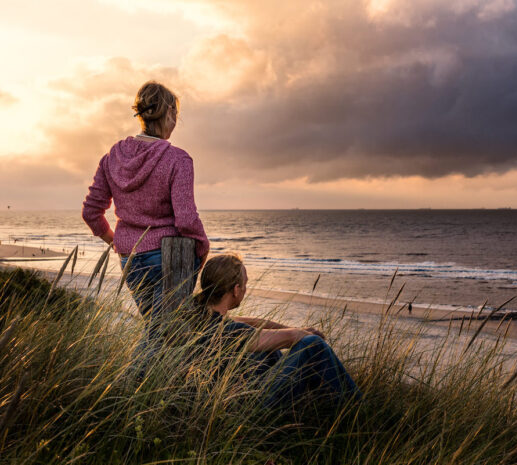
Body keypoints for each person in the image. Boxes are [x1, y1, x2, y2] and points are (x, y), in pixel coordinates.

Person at [82, 81, 209, 351]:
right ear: (170, 114)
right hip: (169, 258)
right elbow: (186, 219)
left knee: (159, 334)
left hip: (131, 260)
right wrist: (203, 246)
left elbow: (91, 212)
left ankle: (147, 388)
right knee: (162, 339)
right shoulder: (178, 160)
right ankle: (128, 386)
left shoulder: (111, 158)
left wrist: (117, 241)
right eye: (176, 115)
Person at [190, 254, 360, 410]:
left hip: (234, 393)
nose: (245, 289)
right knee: (312, 345)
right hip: (248, 407)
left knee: (268, 352)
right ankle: (357, 410)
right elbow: (291, 338)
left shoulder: (202, 317)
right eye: (245, 284)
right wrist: (303, 334)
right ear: (236, 290)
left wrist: (294, 328)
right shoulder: (229, 332)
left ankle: (317, 407)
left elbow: (254, 322)